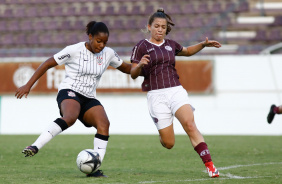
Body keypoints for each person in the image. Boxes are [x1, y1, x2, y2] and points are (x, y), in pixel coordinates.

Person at [15, 21, 132, 177]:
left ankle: (94, 166)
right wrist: (28, 85)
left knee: (104, 124)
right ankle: (35, 146)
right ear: (90, 37)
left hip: (89, 97)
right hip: (69, 91)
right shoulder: (74, 50)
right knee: (70, 117)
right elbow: (47, 63)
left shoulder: (108, 53)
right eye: (98, 41)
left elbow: (127, 68)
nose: (102, 45)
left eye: (105, 42)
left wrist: (145, 66)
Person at [130, 8, 221, 178]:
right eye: (156, 26)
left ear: (166, 29)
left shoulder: (171, 44)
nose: (160, 29)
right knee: (169, 143)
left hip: (175, 91)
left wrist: (202, 45)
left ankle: (210, 166)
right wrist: (140, 65)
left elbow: (186, 51)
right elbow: (133, 73)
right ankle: (162, 133)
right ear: (149, 27)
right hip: (156, 96)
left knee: (190, 124)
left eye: (163, 27)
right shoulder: (141, 47)